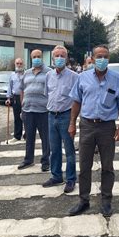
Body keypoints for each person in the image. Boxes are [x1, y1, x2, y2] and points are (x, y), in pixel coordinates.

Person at [68, 45, 119, 217]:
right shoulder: (82, 77)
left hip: (107, 127)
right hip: (87, 125)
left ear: (108, 58)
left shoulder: (117, 79)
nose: (102, 59)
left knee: (107, 166)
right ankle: (83, 200)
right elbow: (76, 102)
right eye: (99, 56)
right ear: (93, 58)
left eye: (105, 56)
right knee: (84, 165)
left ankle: (106, 201)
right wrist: (72, 123)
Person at [42, 45, 79, 193]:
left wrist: (73, 121)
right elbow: (48, 94)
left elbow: (77, 100)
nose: (59, 58)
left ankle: (71, 179)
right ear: (52, 58)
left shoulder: (74, 77)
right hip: (51, 116)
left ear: (67, 58)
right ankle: (56, 175)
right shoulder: (48, 76)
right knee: (54, 149)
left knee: (69, 150)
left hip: (66, 116)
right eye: (56, 56)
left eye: (62, 56)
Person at [18, 49, 51, 171]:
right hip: (28, 110)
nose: (36, 58)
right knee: (29, 137)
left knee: (45, 138)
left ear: (42, 57)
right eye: (34, 57)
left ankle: (45, 161)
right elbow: (22, 89)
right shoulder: (26, 73)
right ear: (31, 58)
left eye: (38, 56)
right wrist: (22, 106)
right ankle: (28, 160)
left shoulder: (49, 72)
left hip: (43, 111)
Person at [5, 58, 25, 144]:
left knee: (26, 117)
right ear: (15, 64)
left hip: (25, 97)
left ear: (23, 64)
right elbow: (10, 86)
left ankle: (27, 136)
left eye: (20, 63)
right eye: (17, 63)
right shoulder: (12, 75)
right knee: (17, 117)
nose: (19, 65)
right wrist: (8, 98)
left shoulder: (26, 74)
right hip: (16, 97)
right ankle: (17, 136)